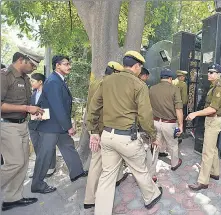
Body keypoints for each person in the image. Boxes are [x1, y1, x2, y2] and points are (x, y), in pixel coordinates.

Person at [87, 51, 162, 214]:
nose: (140, 71)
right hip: (126, 138)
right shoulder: (139, 85)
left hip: (107, 136)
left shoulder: (106, 81)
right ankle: (151, 197)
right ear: (136, 66)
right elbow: (145, 115)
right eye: (140, 68)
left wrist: (93, 131)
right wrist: (153, 136)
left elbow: (93, 108)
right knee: (140, 170)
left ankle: (101, 211)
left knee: (106, 176)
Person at [31, 55, 87, 194]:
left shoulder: (58, 80)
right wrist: (68, 126)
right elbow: (58, 107)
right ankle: (37, 184)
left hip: (58, 126)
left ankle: (77, 172)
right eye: (66, 64)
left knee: (68, 147)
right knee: (45, 155)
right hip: (51, 127)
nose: (69, 66)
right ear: (57, 65)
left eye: (69, 64)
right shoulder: (53, 82)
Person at [1, 47, 44, 211]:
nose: (35, 68)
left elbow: (22, 104)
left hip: (21, 125)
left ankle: (13, 198)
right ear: (21, 60)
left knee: (24, 162)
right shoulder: (5, 76)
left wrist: (32, 109)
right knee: (15, 163)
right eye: (32, 65)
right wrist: (26, 108)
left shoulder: (25, 79)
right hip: (7, 125)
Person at [83, 61, 129, 210]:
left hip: (95, 126)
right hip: (102, 128)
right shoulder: (110, 85)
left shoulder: (96, 82)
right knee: (98, 163)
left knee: (101, 161)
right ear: (115, 72)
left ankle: (94, 195)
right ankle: (92, 198)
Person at [186, 63, 221, 191]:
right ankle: (215, 172)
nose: (209, 74)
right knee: (212, 148)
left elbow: (213, 108)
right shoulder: (213, 87)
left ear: (219, 75)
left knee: (207, 152)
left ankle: (203, 181)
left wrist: (194, 113)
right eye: (209, 72)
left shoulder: (219, 88)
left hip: (214, 120)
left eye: (212, 72)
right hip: (212, 120)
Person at [150, 68, 183, 173]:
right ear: (170, 78)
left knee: (155, 145)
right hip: (169, 123)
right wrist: (181, 124)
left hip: (155, 121)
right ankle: (174, 163)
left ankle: (151, 169)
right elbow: (178, 108)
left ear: (161, 78)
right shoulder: (174, 89)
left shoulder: (152, 88)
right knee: (173, 144)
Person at [28, 73, 56, 178]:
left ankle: (51, 167)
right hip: (33, 125)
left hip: (46, 124)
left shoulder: (49, 93)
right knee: (37, 146)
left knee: (49, 147)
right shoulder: (33, 93)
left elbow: (54, 108)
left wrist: (44, 115)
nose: (31, 83)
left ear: (40, 82)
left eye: (33, 81)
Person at [172, 70, 188, 144]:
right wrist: (184, 104)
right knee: (179, 122)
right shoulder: (183, 84)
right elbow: (184, 98)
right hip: (179, 106)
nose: (184, 78)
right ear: (181, 77)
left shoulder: (172, 82)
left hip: (171, 106)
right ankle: (178, 137)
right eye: (184, 77)